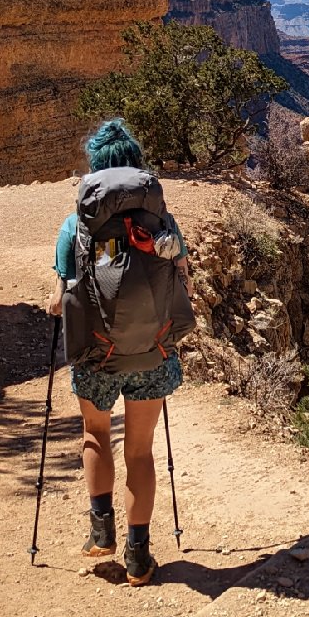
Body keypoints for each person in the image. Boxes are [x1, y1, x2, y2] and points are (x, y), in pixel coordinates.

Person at [47, 119, 194, 586]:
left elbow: (60, 296)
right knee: (141, 453)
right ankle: (139, 557)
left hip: (97, 356)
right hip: (152, 354)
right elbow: (183, 277)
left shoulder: (76, 225)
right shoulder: (162, 223)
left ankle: (100, 533)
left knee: (95, 435)